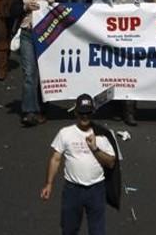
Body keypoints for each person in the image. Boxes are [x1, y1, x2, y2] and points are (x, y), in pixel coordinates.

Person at [40, 94, 117, 235]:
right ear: (76, 112)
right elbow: (55, 158)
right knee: (69, 230)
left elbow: (111, 162)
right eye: (82, 113)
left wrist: (95, 148)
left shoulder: (102, 135)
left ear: (92, 113)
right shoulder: (65, 133)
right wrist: (49, 184)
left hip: (96, 190)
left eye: (88, 113)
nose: (85, 116)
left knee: (98, 231)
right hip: (72, 190)